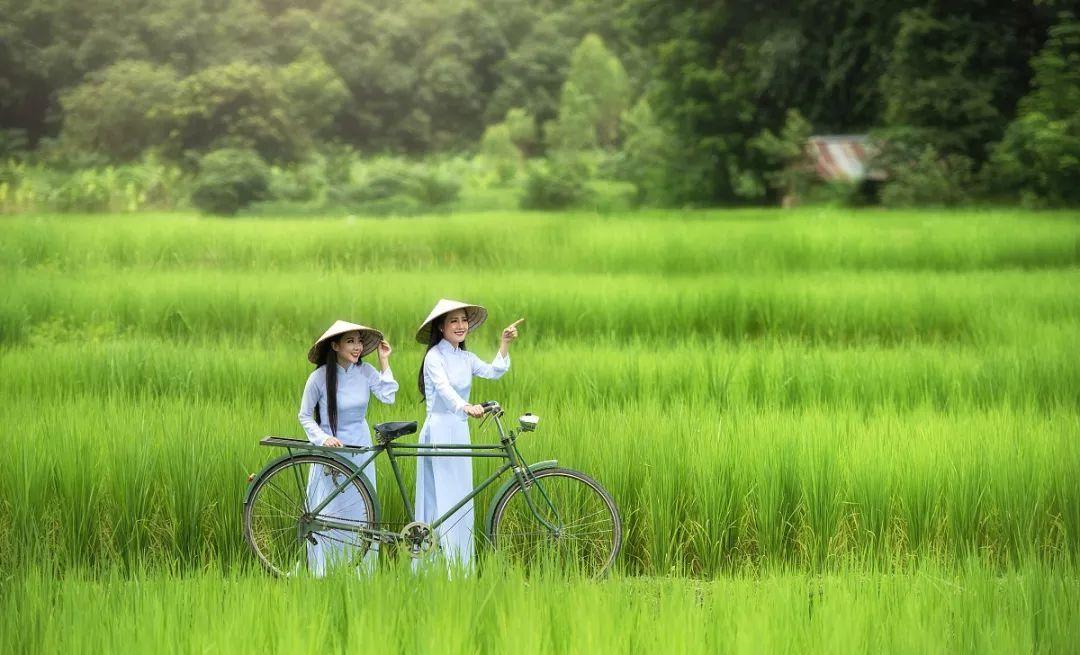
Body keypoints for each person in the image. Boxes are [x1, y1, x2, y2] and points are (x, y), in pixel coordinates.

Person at [414, 299, 523, 569]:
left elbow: (494, 371)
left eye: (463, 320)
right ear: (441, 327)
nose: (460, 326)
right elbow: (444, 389)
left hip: (459, 430)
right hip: (439, 431)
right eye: (453, 321)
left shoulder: (465, 357)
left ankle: (459, 566)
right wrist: (465, 406)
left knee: (461, 497)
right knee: (441, 497)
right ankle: (434, 566)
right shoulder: (434, 357)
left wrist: (505, 343)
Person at [298, 319, 397, 575]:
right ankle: (325, 571)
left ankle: (360, 573)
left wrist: (384, 361)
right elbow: (305, 416)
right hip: (332, 449)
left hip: (360, 447)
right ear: (335, 345)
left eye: (360, 341)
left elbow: (388, 396)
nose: (357, 347)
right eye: (350, 341)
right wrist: (323, 439)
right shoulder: (318, 377)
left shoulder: (365, 372)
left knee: (361, 510)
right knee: (331, 512)